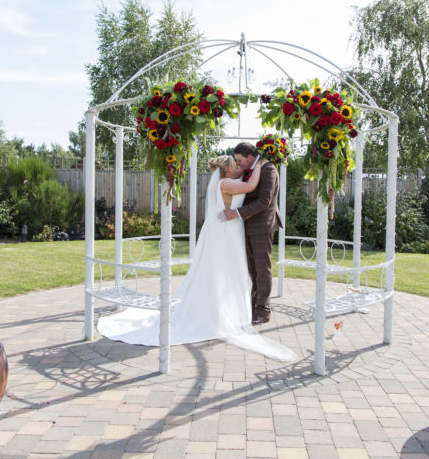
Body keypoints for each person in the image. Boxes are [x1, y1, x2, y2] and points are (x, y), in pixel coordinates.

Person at [97, 155, 296, 362]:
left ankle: (231, 310)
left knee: (229, 271)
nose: (239, 165)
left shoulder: (227, 181)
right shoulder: (227, 183)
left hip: (231, 230)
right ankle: (222, 313)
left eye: (240, 162)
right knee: (226, 270)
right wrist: (261, 163)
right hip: (226, 232)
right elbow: (251, 185)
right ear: (227, 170)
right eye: (235, 164)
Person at [222, 142, 283, 325]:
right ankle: (254, 305)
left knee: (262, 270)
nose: (238, 164)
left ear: (250, 157)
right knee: (253, 270)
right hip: (248, 226)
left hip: (263, 226)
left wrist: (237, 213)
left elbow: (265, 201)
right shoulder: (250, 169)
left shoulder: (268, 169)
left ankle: (263, 311)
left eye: (240, 160)